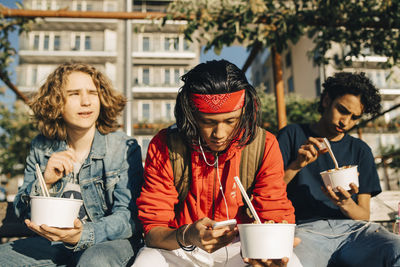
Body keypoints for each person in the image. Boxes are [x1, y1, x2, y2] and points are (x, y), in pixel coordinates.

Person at [133, 60, 302, 267]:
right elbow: (153, 232)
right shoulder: (165, 145)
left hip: (243, 249)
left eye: (231, 121)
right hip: (180, 247)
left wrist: (271, 248)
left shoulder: (264, 145)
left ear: (244, 113)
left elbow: (273, 211)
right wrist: (188, 235)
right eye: (208, 122)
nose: (219, 135)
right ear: (191, 116)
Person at [0, 63, 144, 266]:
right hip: (53, 244)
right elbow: (22, 213)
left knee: (95, 261)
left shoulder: (122, 147)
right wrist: (47, 181)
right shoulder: (41, 147)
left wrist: (83, 235)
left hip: (109, 243)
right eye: (75, 94)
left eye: (92, 93)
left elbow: (129, 217)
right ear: (57, 102)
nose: (86, 102)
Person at [277, 72, 400, 267]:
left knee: (396, 249)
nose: (346, 122)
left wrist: (345, 203)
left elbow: (363, 215)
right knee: (290, 263)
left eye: (354, 117)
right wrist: (296, 165)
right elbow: (266, 191)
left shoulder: (360, 150)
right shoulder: (292, 135)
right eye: (342, 110)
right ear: (326, 100)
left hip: (354, 232)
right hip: (306, 232)